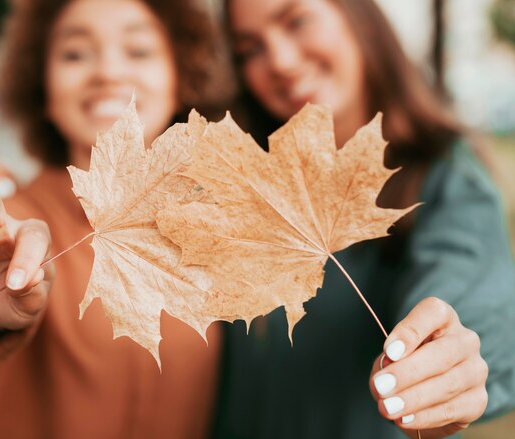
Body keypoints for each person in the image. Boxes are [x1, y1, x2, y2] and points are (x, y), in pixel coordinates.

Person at [0, 0, 229, 437]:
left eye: (138, 50)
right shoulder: (12, 223)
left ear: (182, 75)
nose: (108, 72)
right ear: (41, 87)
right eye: (75, 54)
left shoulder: (219, 231)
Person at [213, 0, 515, 438]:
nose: (278, 60)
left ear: (358, 16)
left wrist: (454, 350)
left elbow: (471, 286)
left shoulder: (444, 179)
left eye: (296, 21)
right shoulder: (243, 183)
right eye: (249, 49)